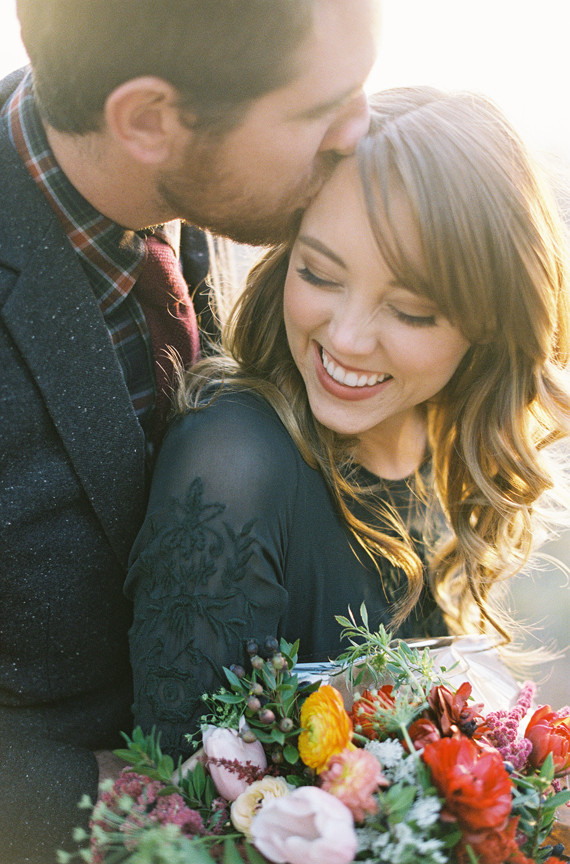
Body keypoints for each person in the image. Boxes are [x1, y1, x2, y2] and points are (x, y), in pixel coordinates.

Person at [0, 1, 377, 859]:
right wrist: (95, 797)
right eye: (322, 107)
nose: (360, 128)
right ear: (148, 121)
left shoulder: (191, 181)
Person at [126, 86, 570, 763]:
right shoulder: (232, 464)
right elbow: (179, 792)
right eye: (319, 274)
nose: (348, 339)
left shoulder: (436, 439)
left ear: (490, 321)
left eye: (411, 311)